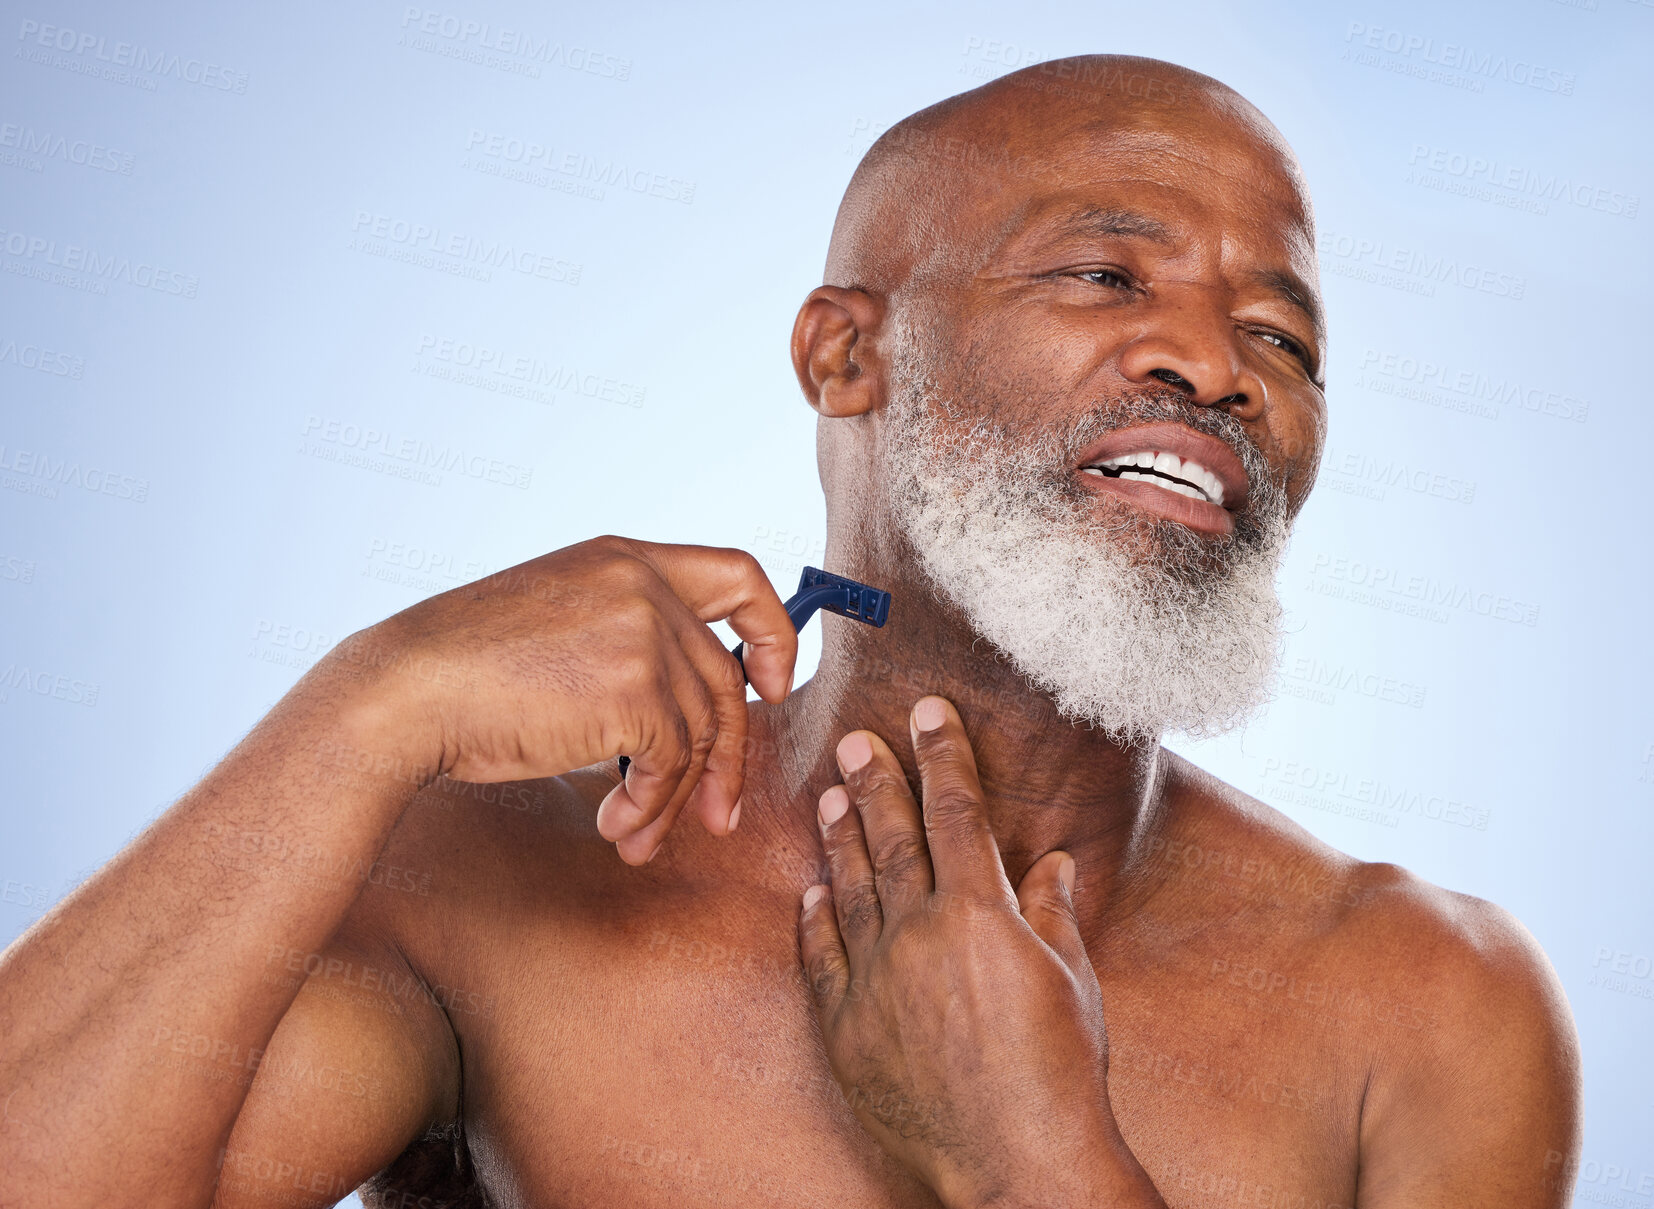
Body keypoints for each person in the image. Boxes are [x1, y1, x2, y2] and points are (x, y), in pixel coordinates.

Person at [0, 55, 1581, 1209]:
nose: (1217, 370)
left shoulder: (1432, 1010)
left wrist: (1029, 1159)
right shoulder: (492, 889)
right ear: (845, 354)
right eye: (1108, 272)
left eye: (1279, 339)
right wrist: (368, 705)